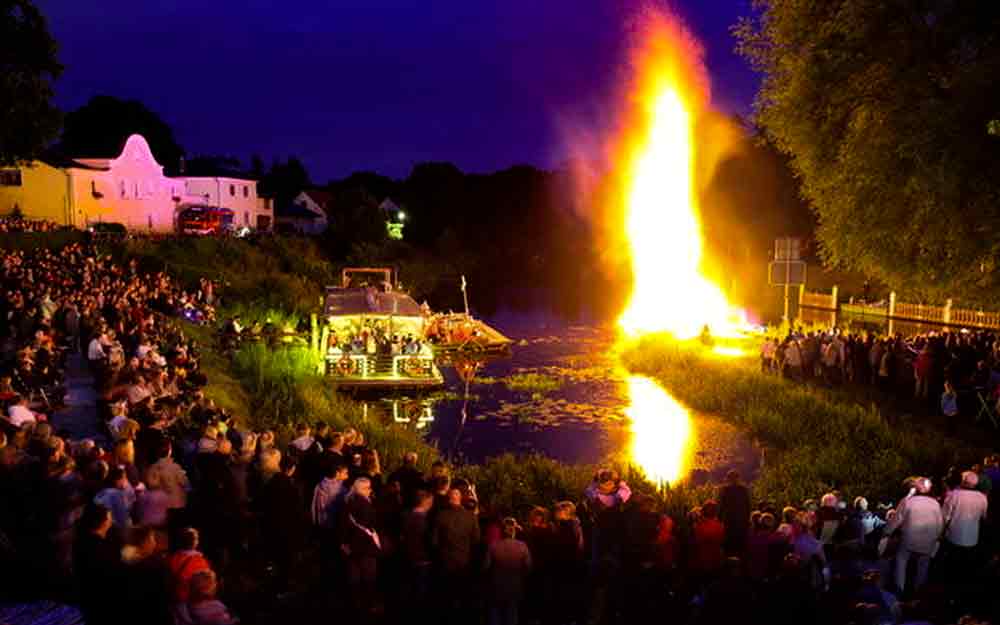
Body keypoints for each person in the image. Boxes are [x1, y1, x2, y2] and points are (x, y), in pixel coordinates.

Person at [885, 476, 943, 594]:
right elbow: (940, 524)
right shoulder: (935, 503)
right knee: (923, 565)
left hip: (909, 540)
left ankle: (899, 589)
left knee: (901, 560)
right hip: (928, 541)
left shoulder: (907, 501)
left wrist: (886, 532)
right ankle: (919, 591)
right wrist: (936, 538)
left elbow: (896, 520)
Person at [342, 477, 381, 617]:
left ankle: (355, 605)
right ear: (363, 489)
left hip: (351, 546)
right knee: (369, 577)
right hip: (365, 546)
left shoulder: (348, 501)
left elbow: (344, 525)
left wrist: (345, 543)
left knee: (354, 576)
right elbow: (370, 524)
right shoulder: (365, 505)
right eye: (369, 487)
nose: (371, 490)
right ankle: (370, 605)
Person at [941, 471, 989, 581]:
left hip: (954, 537)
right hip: (973, 538)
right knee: (967, 567)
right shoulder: (982, 497)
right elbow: (984, 516)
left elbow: (945, 517)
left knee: (953, 566)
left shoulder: (953, 495)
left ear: (963, 481)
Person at [484, 517, 533, 625]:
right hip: (515, 586)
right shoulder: (522, 546)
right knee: (512, 615)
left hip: (497, 586)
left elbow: (486, 566)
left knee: (495, 615)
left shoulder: (493, 546)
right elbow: (529, 567)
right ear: (514, 531)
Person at [174, 570, 239, 625]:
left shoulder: (181, 608)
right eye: (214, 582)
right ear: (209, 588)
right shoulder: (217, 609)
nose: (216, 584)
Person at [718, 470, 751, 556]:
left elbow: (721, 506)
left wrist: (719, 519)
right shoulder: (744, 490)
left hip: (729, 521)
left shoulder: (725, 490)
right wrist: (747, 519)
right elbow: (748, 506)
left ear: (728, 479)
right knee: (740, 545)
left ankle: (730, 560)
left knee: (730, 544)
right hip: (741, 520)